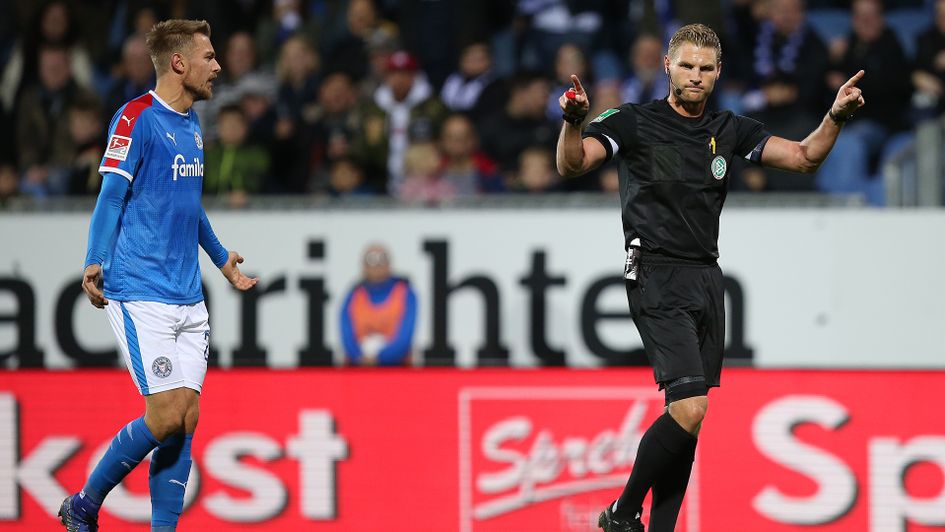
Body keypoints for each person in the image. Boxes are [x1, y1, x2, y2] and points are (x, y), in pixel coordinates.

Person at [556, 23, 865, 532]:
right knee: (691, 406)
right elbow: (573, 164)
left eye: (705, 68)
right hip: (655, 273)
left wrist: (834, 116)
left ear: (718, 72)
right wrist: (572, 122)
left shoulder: (730, 128)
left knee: (687, 417)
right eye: (686, 66)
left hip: (706, 278)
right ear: (667, 67)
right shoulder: (631, 121)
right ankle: (621, 512)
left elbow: (805, 157)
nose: (695, 76)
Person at [59, 19, 258, 532]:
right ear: (179, 63)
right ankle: (84, 502)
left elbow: (190, 206)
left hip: (189, 297)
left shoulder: (193, 125)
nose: (218, 66)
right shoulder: (135, 118)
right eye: (209, 57)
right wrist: (94, 257)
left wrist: (219, 260)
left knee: (185, 422)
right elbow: (111, 194)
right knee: (167, 414)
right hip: (140, 290)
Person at [339, 245, 418, 366]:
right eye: (371, 260)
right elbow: (347, 336)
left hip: (397, 368)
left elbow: (405, 336)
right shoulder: (353, 295)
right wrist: (359, 357)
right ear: (364, 266)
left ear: (389, 264)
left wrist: (381, 358)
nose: (377, 266)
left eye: (382, 259)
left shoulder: (405, 293)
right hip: (358, 368)